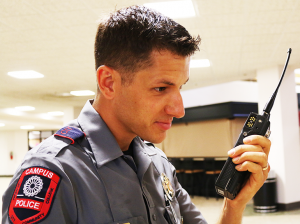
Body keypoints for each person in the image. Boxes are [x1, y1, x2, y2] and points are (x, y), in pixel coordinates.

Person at [2, 5, 270, 224]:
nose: (179, 109)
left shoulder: (159, 163)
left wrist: (233, 206)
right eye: (161, 88)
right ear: (109, 82)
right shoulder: (55, 173)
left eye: (180, 87)